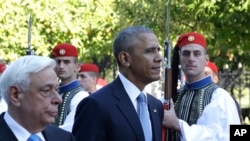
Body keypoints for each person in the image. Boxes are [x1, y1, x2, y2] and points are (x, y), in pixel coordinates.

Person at [72, 26, 164, 141]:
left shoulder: (155, 106)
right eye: (150, 51)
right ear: (125, 59)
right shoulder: (96, 105)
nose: (159, 58)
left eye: (158, 50)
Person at [162, 32, 241, 141]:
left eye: (197, 54)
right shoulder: (172, 97)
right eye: (186, 53)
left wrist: (178, 125)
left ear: (206, 60)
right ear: (180, 58)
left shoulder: (220, 98)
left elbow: (226, 136)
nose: (191, 58)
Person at [0, 56, 75, 141]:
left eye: (56, 90)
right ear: (15, 95)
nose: (58, 100)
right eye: (46, 91)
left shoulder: (64, 138)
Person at [51, 43, 89, 132]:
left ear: (77, 67)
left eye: (66, 62)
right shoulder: (53, 92)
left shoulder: (81, 96)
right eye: (58, 62)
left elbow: (68, 130)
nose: (61, 66)